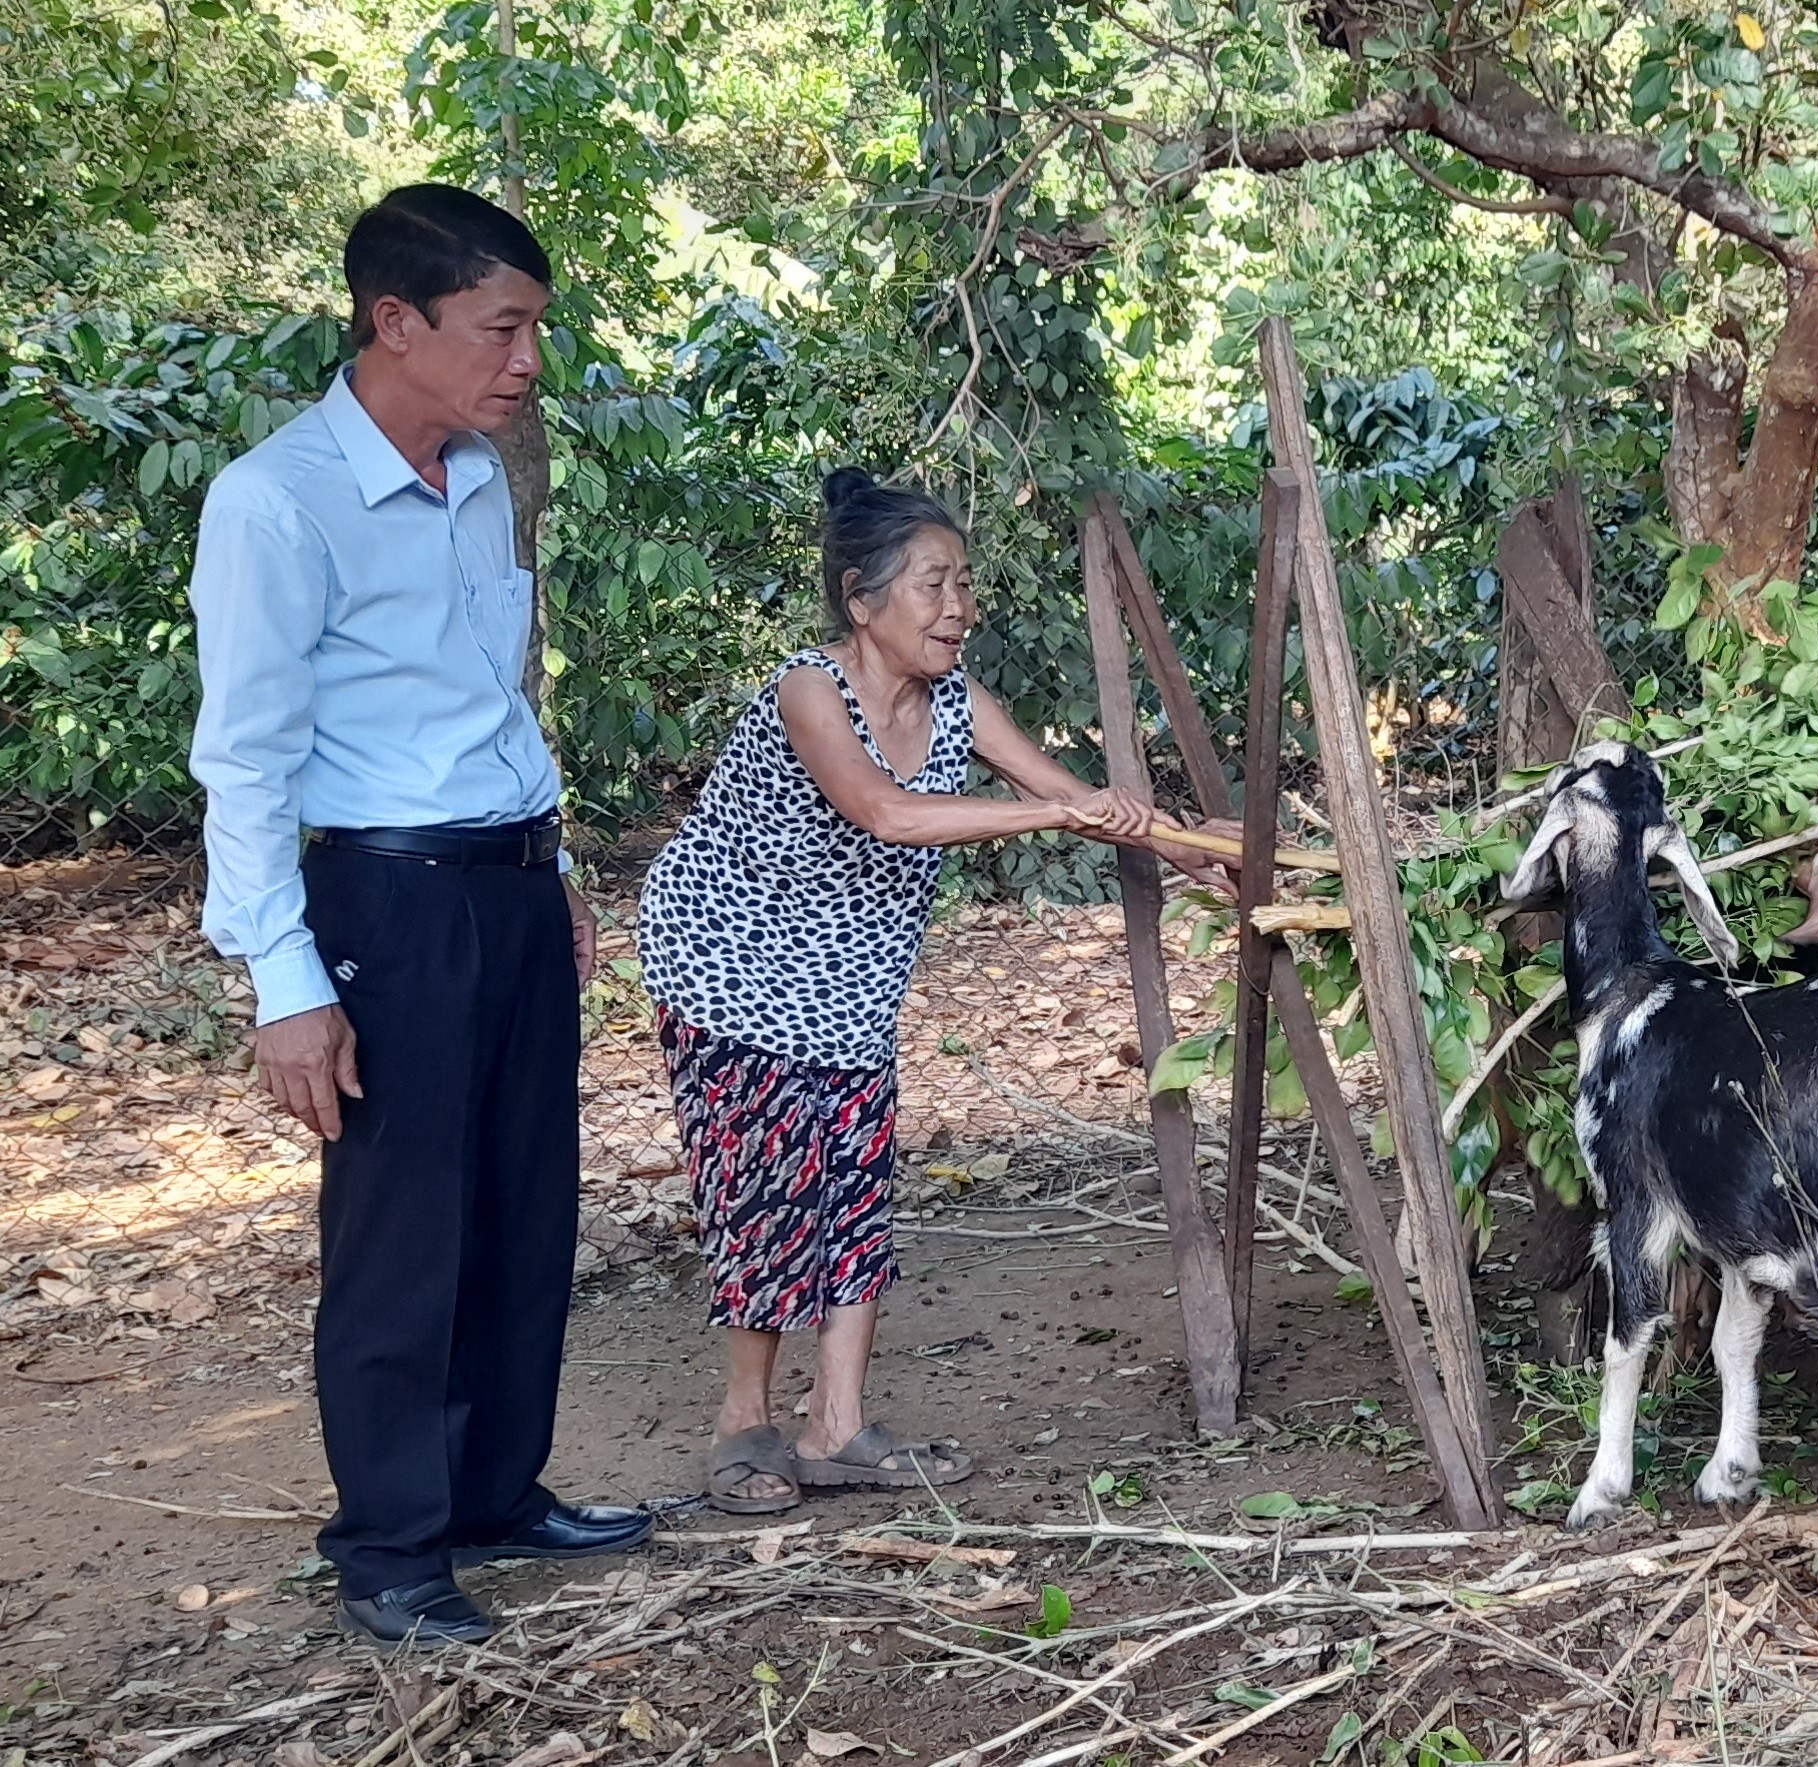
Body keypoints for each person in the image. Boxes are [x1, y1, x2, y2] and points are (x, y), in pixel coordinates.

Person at [188, 185, 653, 1649]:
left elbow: (491, 699)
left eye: (534, 331)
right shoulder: (277, 501)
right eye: (500, 327)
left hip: (509, 891)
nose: (526, 361)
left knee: (523, 1203)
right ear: (395, 320)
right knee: (401, 1232)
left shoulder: (478, 481)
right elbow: (245, 755)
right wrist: (285, 979)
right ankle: (388, 1541)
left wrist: (554, 868)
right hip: (384, 902)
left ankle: (494, 1489)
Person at [639, 470, 1224, 1514]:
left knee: (854, 1188)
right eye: (933, 585)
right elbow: (887, 813)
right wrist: (1060, 817)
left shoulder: (960, 700)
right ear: (863, 601)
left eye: (964, 585)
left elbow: (1074, 796)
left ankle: (838, 1424)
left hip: (850, 978)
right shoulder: (807, 689)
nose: (959, 607)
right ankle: (745, 1423)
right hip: (731, 968)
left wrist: (1195, 854)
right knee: (768, 1191)